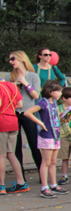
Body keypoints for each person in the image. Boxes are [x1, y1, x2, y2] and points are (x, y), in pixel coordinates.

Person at [23, 80, 64, 198]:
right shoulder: (44, 103)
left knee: (53, 162)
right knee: (45, 162)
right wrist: (40, 123)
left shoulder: (54, 103)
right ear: (51, 92)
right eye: (59, 91)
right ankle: (44, 187)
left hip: (55, 135)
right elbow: (27, 112)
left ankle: (53, 184)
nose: (60, 93)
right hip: (47, 136)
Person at [9, 51, 42, 179]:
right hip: (14, 113)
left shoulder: (33, 76)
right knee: (16, 146)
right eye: (10, 60)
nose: (11, 62)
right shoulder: (9, 76)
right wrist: (14, 85)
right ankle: (20, 178)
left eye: (13, 59)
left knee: (34, 144)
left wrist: (25, 83)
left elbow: (36, 95)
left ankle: (42, 174)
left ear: (22, 59)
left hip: (28, 113)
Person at [0, 79, 27, 195]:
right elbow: (20, 104)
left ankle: (1, 185)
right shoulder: (12, 86)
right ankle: (21, 182)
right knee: (11, 153)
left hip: (2, 121)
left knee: (1, 155)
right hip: (13, 122)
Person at [56, 87, 71, 186]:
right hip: (63, 135)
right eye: (70, 98)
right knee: (64, 158)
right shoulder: (59, 108)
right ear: (64, 98)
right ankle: (64, 175)